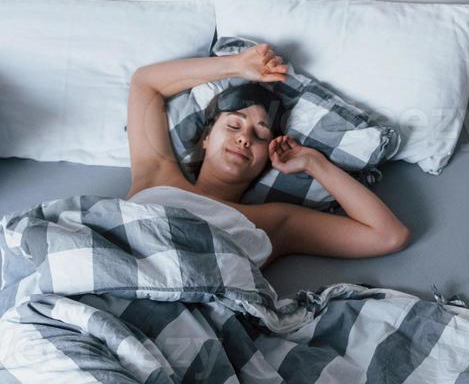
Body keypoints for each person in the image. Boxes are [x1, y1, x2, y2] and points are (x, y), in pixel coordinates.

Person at [126, 42, 409, 266]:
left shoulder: (274, 222)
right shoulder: (156, 174)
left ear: (265, 160)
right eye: (233, 124)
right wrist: (236, 66)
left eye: (260, 135)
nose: (244, 138)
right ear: (206, 138)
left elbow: (388, 235)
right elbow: (144, 83)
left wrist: (314, 163)